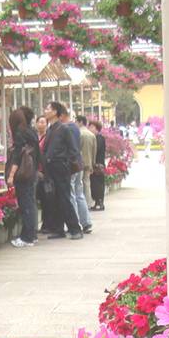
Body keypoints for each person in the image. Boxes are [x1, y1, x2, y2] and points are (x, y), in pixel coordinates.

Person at [41, 101, 82, 240]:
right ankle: (58, 229)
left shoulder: (64, 128)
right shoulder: (50, 129)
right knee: (55, 199)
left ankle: (75, 229)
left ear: (55, 112)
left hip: (61, 168)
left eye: (48, 108)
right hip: (51, 168)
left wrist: (67, 165)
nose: (45, 111)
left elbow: (73, 149)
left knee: (64, 198)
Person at [6, 106, 40, 248]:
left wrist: (11, 175)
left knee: (26, 204)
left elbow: (17, 156)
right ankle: (32, 235)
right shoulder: (31, 132)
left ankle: (27, 238)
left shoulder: (20, 133)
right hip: (32, 173)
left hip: (23, 174)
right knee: (30, 204)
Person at [72, 113, 95, 234]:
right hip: (87, 162)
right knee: (85, 185)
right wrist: (93, 163)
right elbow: (94, 150)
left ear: (80, 122)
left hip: (78, 163)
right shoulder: (91, 134)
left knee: (78, 188)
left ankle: (81, 215)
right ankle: (88, 204)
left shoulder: (78, 133)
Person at [89, 119, 108, 210]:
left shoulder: (99, 138)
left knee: (98, 184)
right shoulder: (93, 137)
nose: (90, 128)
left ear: (97, 129)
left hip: (98, 164)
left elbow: (96, 150)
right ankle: (97, 202)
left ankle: (100, 202)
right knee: (94, 184)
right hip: (94, 164)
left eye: (92, 127)